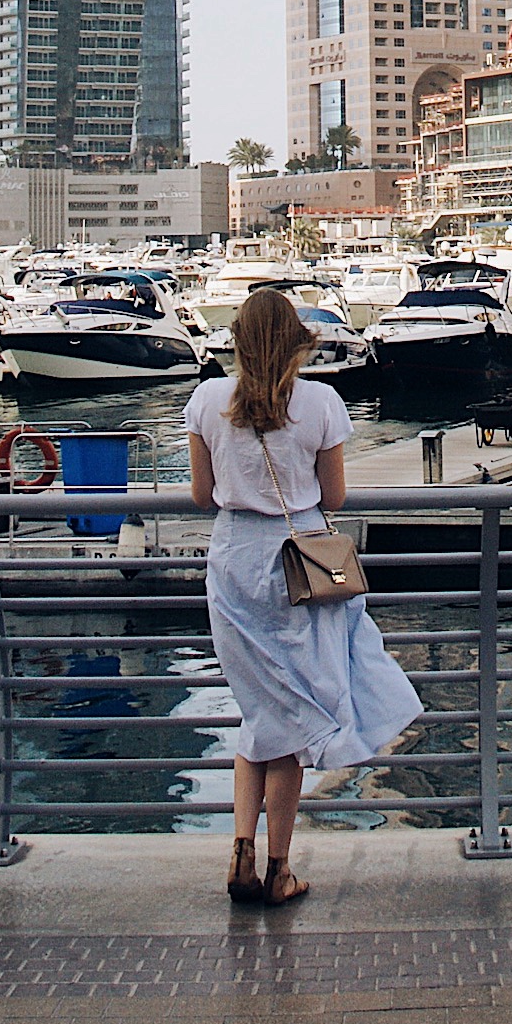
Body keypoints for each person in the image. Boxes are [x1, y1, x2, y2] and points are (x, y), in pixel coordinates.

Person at [187, 286, 423, 909]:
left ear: (236, 340)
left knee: (260, 714)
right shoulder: (320, 401)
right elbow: (334, 496)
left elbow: (202, 494)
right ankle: (278, 868)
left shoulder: (208, 400)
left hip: (233, 561)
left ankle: (240, 848)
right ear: (296, 342)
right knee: (289, 719)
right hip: (298, 564)